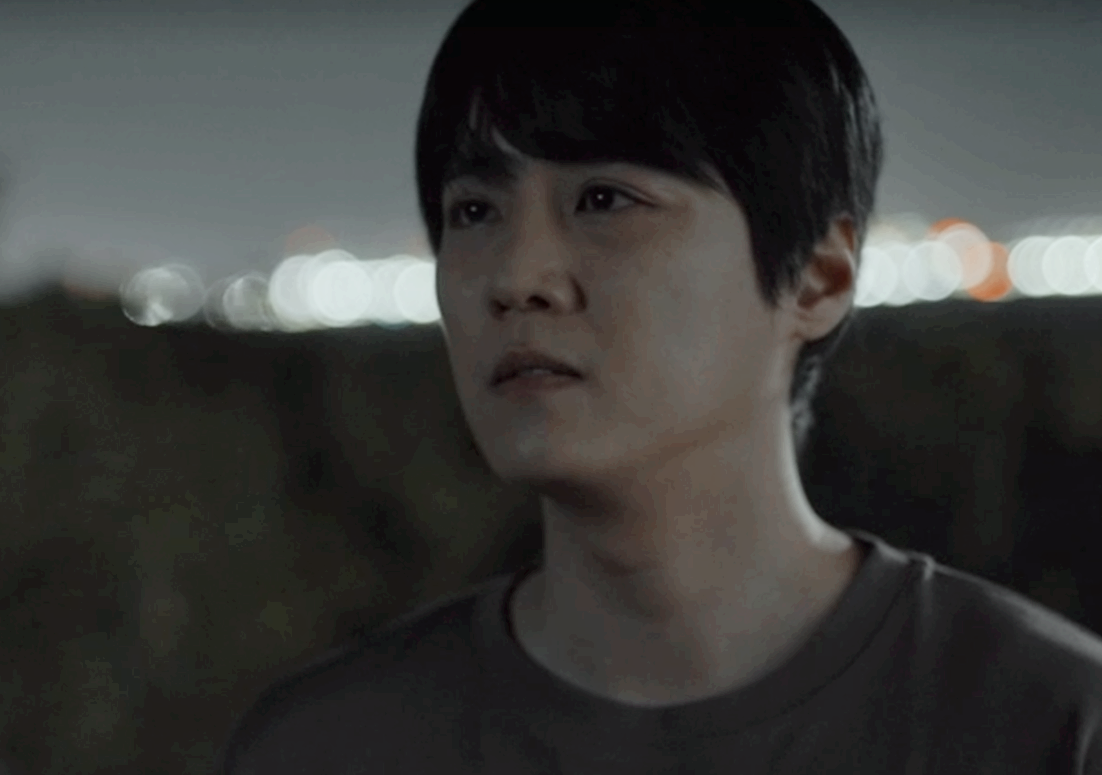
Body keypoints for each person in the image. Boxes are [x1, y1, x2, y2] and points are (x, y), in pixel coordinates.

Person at [216, 0, 1102, 772]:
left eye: (604, 199)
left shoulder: (1049, 726)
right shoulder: (326, 748)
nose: (517, 277)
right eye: (474, 211)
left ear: (818, 277)